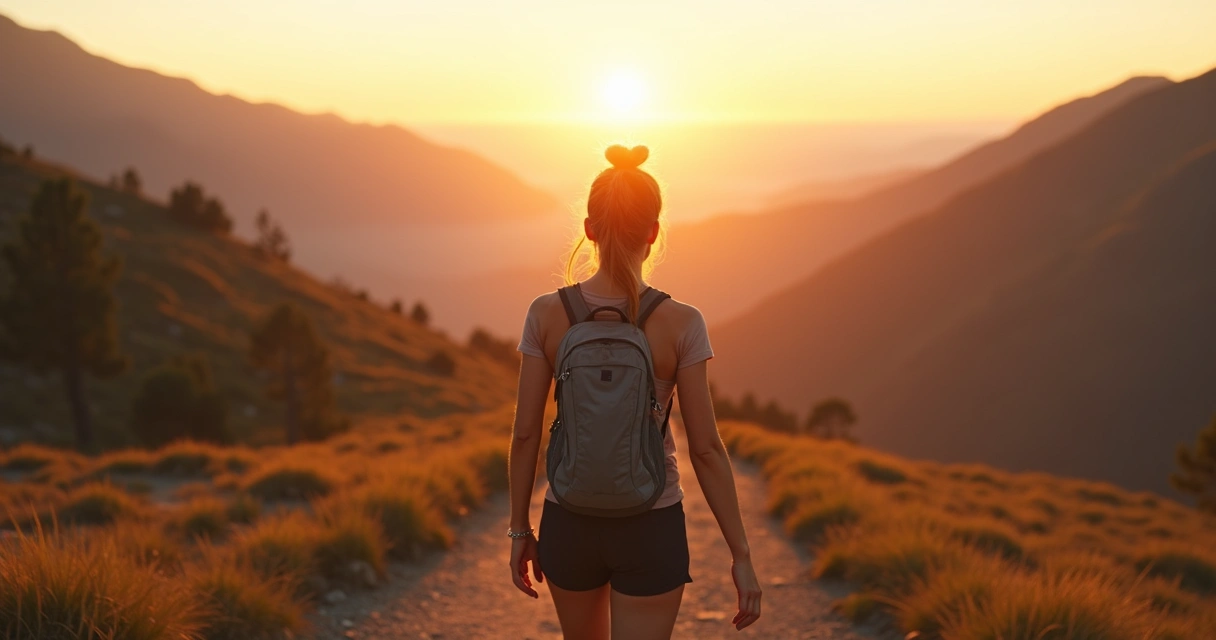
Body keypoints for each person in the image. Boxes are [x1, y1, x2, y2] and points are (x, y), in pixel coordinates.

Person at [507, 144, 762, 639]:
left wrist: (520, 531)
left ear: (589, 229)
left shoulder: (546, 313)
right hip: (653, 523)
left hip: (569, 520)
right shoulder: (682, 323)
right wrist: (741, 556)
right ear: (653, 232)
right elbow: (706, 449)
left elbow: (524, 435)